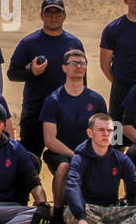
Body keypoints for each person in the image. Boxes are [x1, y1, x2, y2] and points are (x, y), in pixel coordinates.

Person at [7, 0, 84, 159]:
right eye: (49, 13)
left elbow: (82, 76)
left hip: (65, 111)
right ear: (41, 15)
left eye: (58, 13)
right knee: (28, 160)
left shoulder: (74, 43)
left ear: (64, 16)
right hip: (35, 111)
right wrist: (31, 72)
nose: (53, 17)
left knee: (67, 160)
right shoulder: (29, 43)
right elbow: (12, 73)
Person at [39, 48, 107, 214]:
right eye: (73, 63)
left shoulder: (97, 100)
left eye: (82, 63)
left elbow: (110, 129)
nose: (78, 66)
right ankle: (58, 212)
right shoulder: (53, 100)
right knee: (64, 168)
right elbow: (50, 140)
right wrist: (75, 155)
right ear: (64, 68)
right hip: (61, 152)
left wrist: (107, 150)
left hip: (90, 151)